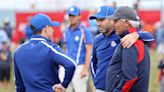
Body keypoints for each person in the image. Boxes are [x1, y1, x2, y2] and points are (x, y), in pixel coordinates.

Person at [89, 5, 154, 92]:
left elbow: (150, 36)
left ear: (112, 20)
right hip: (100, 87)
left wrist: (137, 35)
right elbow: (93, 62)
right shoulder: (97, 39)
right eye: (97, 20)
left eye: (101, 20)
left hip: (116, 87)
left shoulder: (123, 36)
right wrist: (96, 82)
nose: (98, 23)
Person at [14, 14, 76, 92]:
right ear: (46, 29)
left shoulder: (18, 51)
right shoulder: (49, 48)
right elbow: (71, 64)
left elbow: (19, 85)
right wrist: (64, 85)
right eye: (51, 28)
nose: (53, 30)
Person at [106, 6, 150, 92]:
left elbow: (130, 78)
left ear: (126, 22)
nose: (113, 24)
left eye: (115, 21)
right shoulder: (133, 39)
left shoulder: (129, 42)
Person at [62, 6, 93, 92]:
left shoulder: (85, 31)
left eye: (74, 16)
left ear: (79, 16)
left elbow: (89, 50)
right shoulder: (66, 31)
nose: (71, 18)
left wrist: (85, 69)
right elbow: (65, 48)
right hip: (68, 66)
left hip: (80, 66)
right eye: (70, 16)